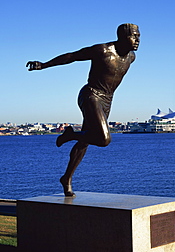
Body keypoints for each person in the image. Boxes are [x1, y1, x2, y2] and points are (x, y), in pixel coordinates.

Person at [26, 23, 140, 196]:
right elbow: (73, 56)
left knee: (86, 141)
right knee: (103, 139)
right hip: (91, 95)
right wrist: (44, 65)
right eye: (134, 36)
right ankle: (70, 135)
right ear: (122, 37)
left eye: (139, 36)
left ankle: (67, 178)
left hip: (107, 100)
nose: (138, 40)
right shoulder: (102, 50)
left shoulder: (131, 57)